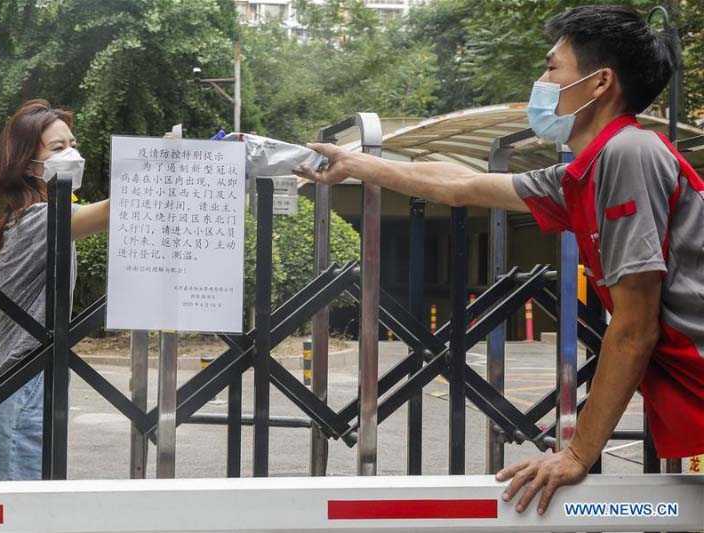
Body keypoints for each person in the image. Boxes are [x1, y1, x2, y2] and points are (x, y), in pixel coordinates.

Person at [296, 5, 703, 514]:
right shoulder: (585, 172)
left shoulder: (630, 155)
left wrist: (576, 452)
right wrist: (356, 162)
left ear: (600, 83)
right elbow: (463, 185)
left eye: (553, 68)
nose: (542, 82)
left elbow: (634, 326)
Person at [0, 99, 110, 480]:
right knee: (19, 513)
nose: (73, 154)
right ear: (27, 166)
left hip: (31, 379)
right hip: (22, 381)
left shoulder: (40, 217)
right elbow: (117, 210)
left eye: (72, 143)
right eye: (57, 148)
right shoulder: (37, 220)